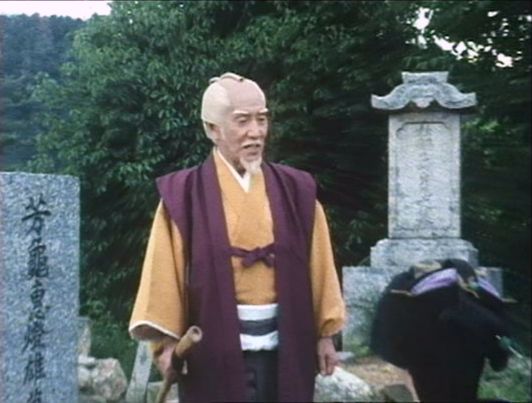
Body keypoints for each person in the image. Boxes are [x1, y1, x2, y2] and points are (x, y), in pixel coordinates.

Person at [129, 72, 346, 402]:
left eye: (262, 119)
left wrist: (325, 335)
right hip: (211, 355)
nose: (256, 132)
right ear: (212, 129)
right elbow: (163, 275)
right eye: (242, 121)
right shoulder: (184, 195)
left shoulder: (296, 191)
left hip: (287, 350)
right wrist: (167, 344)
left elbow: (321, 267)